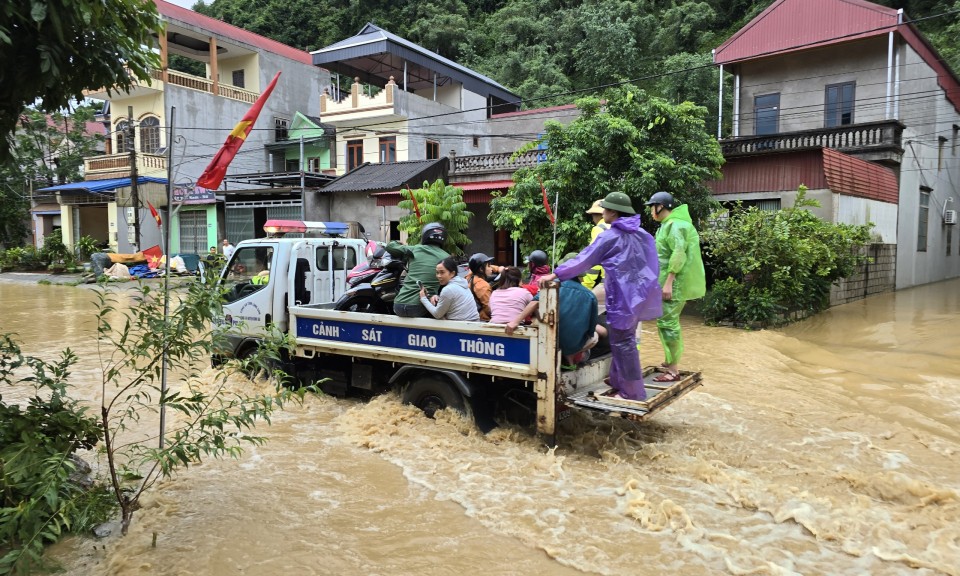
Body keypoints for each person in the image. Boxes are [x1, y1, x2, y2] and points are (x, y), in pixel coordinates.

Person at [537, 191, 661, 401]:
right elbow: (653, 265)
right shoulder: (642, 234)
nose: (602, 212)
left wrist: (556, 274)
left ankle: (632, 392)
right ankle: (617, 382)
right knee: (623, 340)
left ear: (613, 211)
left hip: (622, 296)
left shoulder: (609, 236)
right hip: (639, 295)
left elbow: (584, 260)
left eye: (604, 209)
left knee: (624, 343)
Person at [644, 191, 706, 382]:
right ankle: (670, 361)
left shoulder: (675, 225)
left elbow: (678, 254)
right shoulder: (666, 226)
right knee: (665, 323)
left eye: (652, 207)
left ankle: (673, 370)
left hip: (674, 285)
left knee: (669, 325)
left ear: (660, 206)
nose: (651, 211)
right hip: (666, 283)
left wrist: (669, 283)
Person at [506, 252, 607, 365]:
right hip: (572, 345)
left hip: (549, 339)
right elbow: (591, 330)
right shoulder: (590, 296)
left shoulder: (552, 286)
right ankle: (570, 357)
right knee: (595, 336)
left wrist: (515, 321)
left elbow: (534, 303)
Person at [385, 222, 450, 318]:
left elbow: (389, 246)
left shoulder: (414, 249)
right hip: (420, 307)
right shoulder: (447, 258)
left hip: (399, 304)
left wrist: (399, 243)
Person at [420, 257, 481, 321]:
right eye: (437, 272)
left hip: (460, 328)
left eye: (442, 272)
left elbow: (437, 314)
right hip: (473, 324)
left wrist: (423, 298)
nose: (438, 276)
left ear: (452, 273)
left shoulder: (448, 289)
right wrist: (438, 297)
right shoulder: (462, 283)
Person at [581, 199, 608, 295]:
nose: (593, 219)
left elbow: (594, 260)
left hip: (610, 279)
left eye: (593, 215)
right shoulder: (621, 227)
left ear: (598, 215)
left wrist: (586, 286)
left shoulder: (599, 229)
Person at [466, 252, 501, 321]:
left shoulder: (469, 277)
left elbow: (473, 268)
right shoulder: (482, 286)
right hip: (483, 319)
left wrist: (498, 268)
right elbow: (489, 309)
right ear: (481, 269)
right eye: (488, 266)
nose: (491, 268)